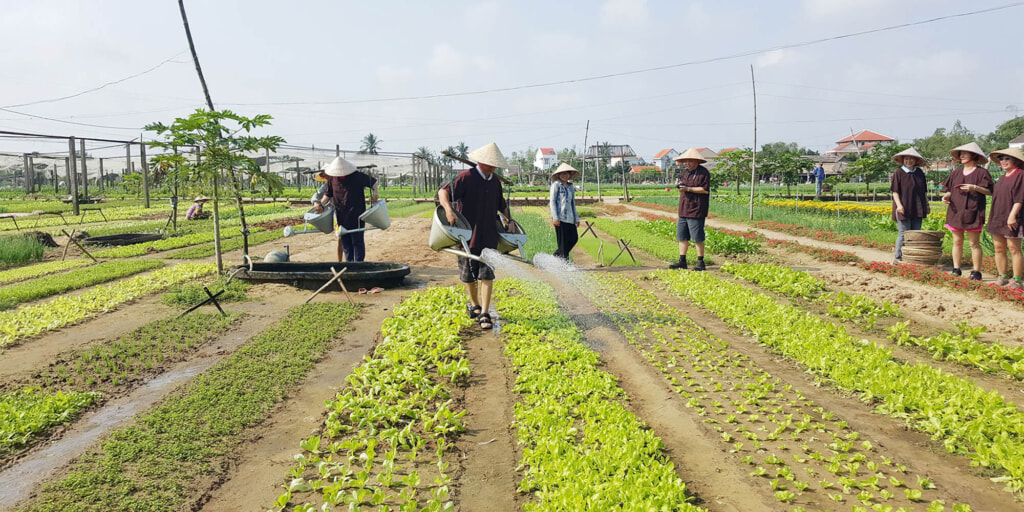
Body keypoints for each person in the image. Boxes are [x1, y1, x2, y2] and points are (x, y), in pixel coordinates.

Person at [438, 142, 510, 330]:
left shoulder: (495, 181)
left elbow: (502, 205)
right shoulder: (466, 177)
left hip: (489, 235)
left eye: (495, 165)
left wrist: (508, 220)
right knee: (468, 275)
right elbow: (443, 191)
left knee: (487, 274)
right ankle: (475, 305)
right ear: (481, 162)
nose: (493, 167)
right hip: (466, 235)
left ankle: (485, 312)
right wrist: (449, 210)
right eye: (490, 164)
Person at [941, 142, 993, 280]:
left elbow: (990, 191)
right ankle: (956, 269)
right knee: (957, 241)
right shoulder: (956, 173)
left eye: (965, 153)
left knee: (973, 243)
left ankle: (976, 271)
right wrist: (946, 197)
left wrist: (975, 187)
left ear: (974, 155)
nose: (961, 156)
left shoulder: (982, 173)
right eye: (960, 154)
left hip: (973, 211)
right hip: (956, 211)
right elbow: (949, 191)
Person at [323, 157, 378, 262]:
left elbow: (373, 182)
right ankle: (349, 265)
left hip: (357, 214)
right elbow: (327, 194)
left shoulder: (357, 176)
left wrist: (375, 194)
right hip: (341, 215)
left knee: (357, 241)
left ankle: (359, 264)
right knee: (345, 242)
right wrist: (320, 204)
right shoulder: (332, 179)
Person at [986, 147, 1024, 289]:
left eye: (1007, 158)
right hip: (997, 216)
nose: (1003, 161)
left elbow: (1020, 198)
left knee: (1014, 248)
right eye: (1001, 158)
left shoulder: (1021, 175)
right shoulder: (1001, 178)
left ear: (1016, 161)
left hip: (1013, 217)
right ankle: (1002, 276)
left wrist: (1013, 215)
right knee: (998, 248)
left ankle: (1017, 280)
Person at [669, 148, 711, 271]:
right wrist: (681, 186)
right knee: (682, 236)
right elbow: (683, 184)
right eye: (685, 161)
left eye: (690, 161)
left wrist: (688, 189)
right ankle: (682, 261)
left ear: (697, 161)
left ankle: (700, 262)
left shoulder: (703, 173)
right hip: (684, 208)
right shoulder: (685, 173)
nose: (687, 163)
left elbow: (704, 189)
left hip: (696, 209)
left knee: (697, 237)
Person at [890, 147, 930, 264]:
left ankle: (911, 256)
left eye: (911, 159)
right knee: (903, 233)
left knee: (915, 234)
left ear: (916, 161)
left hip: (917, 206)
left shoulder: (919, 173)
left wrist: (926, 205)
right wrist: (899, 206)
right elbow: (895, 192)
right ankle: (898, 257)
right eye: (906, 159)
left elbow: (923, 192)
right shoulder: (898, 173)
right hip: (903, 207)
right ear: (903, 160)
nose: (909, 161)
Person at [549, 162, 581, 260]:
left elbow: (573, 203)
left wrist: (576, 218)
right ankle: (565, 264)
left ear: (569, 175)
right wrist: (555, 217)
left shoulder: (571, 187)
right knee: (562, 243)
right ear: (558, 174)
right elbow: (552, 201)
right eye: (562, 173)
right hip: (560, 218)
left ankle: (554, 257)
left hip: (570, 218)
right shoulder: (556, 185)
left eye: (566, 173)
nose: (564, 175)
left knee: (574, 239)